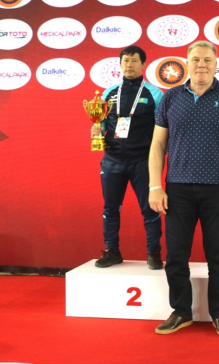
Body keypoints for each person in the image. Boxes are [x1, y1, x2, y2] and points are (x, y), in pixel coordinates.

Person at [148, 41, 219, 337]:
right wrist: (155, 186)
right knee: (176, 255)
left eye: (207, 60)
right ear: (187, 63)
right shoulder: (171, 97)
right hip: (177, 189)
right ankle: (181, 311)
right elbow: (157, 144)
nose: (201, 64)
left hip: (218, 190)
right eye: (196, 59)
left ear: (216, 64)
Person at [93, 45, 164, 270]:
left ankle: (154, 253)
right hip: (112, 160)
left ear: (143, 65)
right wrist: (96, 130)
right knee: (110, 208)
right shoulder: (108, 92)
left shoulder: (155, 94)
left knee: (150, 208)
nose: (129, 65)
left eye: (134, 61)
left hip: (143, 161)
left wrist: (159, 156)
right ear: (120, 64)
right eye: (125, 61)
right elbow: (102, 123)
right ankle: (112, 251)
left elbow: (163, 129)